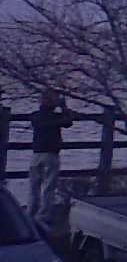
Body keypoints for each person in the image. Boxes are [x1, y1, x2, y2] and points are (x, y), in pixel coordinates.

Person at [29, 91, 73, 226]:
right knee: (48, 187)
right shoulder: (55, 117)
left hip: (36, 155)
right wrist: (64, 107)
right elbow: (68, 122)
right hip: (51, 155)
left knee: (34, 187)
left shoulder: (35, 116)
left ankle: (30, 213)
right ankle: (43, 216)